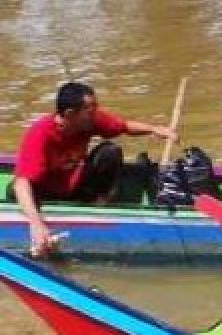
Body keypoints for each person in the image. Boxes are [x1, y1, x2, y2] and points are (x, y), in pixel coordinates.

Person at [12, 81, 176, 257]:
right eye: (90, 111)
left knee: (110, 152)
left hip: (74, 185)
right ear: (70, 114)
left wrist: (154, 129)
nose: (95, 115)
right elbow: (21, 183)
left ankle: (98, 205)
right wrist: (37, 224)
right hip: (45, 191)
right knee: (18, 192)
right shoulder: (40, 133)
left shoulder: (88, 121)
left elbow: (123, 126)